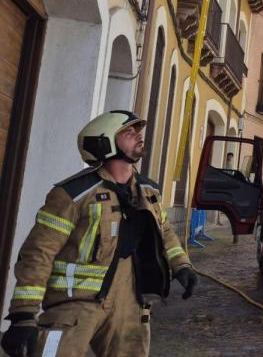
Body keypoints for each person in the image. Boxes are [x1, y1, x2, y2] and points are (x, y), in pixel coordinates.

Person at [1, 111, 197, 357]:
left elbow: (164, 231)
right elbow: (39, 252)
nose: (139, 137)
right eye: (129, 132)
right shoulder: (73, 194)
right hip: (74, 305)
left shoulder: (148, 192)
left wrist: (182, 266)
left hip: (130, 304)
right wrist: (23, 314)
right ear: (105, 142)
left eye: (138, 131)